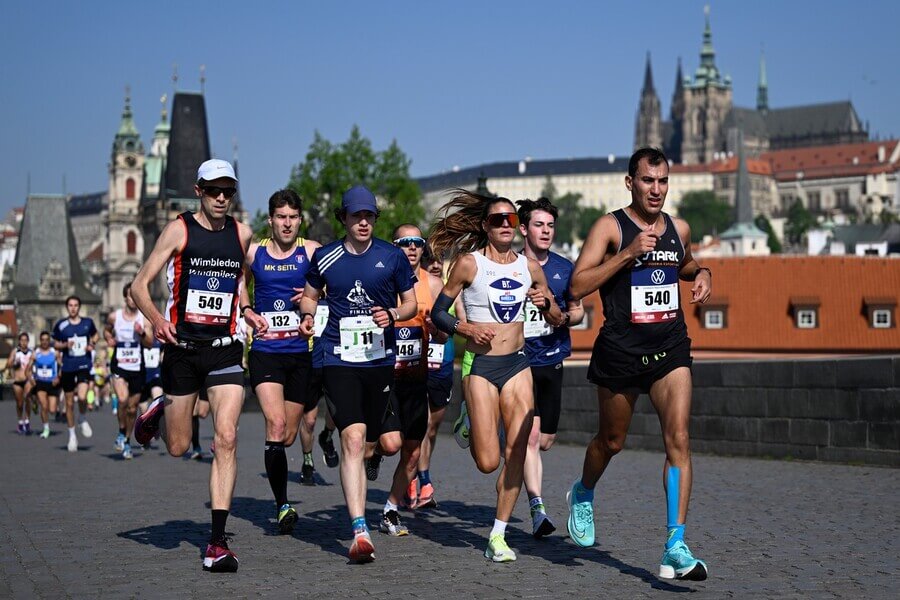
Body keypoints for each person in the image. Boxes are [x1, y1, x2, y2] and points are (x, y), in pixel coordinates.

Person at [567, 147, 712, 581]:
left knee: (679, 440)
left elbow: (684, 263)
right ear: (630, 183)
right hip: (620, 353)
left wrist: (703, 272)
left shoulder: (679, 228)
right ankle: (583, 492)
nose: (656, 189)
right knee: (611, 443)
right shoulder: (610, 227)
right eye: (648, 181)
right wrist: (628, 254)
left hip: (670, 348)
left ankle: (676, 544)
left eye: (663, 181)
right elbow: (577, 284)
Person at [429, 190, 562, 562]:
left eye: (511, 219)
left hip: (518, 364)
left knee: (517, 449)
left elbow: (557, 318)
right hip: (482, 368)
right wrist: (466, 329)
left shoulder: (529, 267)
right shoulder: (469, 264)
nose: (506, 225)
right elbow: (438, 314)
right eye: (497, 220)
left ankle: (498, 535)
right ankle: (470, 418)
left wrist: (546, 304)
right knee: (488, 462)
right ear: (486, 226)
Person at [131, 159, 251, 573]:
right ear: (198, 190)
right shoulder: (179, 229)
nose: (222, 198)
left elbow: (241, 280)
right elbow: (138, 285)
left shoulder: (242, 233)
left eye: (228, 191)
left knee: (228, 436)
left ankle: (217, 542)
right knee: (179, 445)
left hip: (224, 350)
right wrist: (158, 320)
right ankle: (160, 410)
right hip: (182, 348)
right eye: (214, 190)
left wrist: (248, 310)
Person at [298, 185, 417, 562]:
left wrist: (393, 315)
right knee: (353, 439)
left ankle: (363, 506)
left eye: (369, 216)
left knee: (376, 443)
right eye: (356, 216)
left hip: (379, 362)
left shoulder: (392, 257)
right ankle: (359, 529)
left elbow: (410, 302)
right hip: (338, 358)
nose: (363, 222)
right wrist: (305, 316)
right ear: (344, 219)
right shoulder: (327, 257)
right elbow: (310, 295)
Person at [239, 189, 322, 534]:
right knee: (274, 425)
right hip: (266, 351)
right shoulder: (254, 252)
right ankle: (282, 505)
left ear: (299, 220)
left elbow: (337, 285)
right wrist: (247, 310)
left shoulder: (313, 251)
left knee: (287, 436)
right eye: (281, 217)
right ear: (270, 220)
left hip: (300, 353)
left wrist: (311, 299)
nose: (287, 224)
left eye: (292, 217)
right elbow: (237, 283)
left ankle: (280, 467)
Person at [515, 197, 584, 538]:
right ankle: (537, 508)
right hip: (518, 361)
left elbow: (579, 310)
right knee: (528, 439)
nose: (546, 231)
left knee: (545, 440)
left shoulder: (563, 267)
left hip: (552, 357)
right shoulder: (509, 266)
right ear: (523, 229)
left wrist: (564, 316)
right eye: (539, 225)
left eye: (550, 226)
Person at [377, 224, 446, 530]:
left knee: (413, 451)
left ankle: (391, 506)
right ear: (395, 247)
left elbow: (445, 335)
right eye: (406, 243)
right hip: (385, 376)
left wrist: (436, 329)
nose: (413, 248)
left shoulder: (432, 284)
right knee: (391, 444)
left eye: (418, 243)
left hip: (417, 377)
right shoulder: (382, 281)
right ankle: (374, 452)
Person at [410, 252, 456, 509]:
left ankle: (419, 474)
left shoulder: (451, 288)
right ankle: (419, 478)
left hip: (443, 363)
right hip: (414, 365)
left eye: (441, 259)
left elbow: (463, 320)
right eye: (431, 260)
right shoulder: (414, 287)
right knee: (420, 424)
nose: (437, 264)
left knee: (432, 427)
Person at [52, 295, 98, 452]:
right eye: (70, 305)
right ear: (67, 307)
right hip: (68, 367)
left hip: (84, 364)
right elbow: (55, 343)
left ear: (79, 307)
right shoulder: (61, 325)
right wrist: (65, 344)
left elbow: (96, 335)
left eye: (76, 305)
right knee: (69, 403)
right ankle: (72, 435)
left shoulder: (87, 323)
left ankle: (82, 417)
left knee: (83, 396)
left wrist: (91, 344)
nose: (73, 308)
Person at [108, 283, 146, 460]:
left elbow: (150, 342)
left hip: (137, 367)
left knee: (132, 409)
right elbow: (106, 330)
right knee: (122, 399)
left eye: (135, 296)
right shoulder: (114, 317)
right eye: (130, 296)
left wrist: (143, 334)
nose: (133, 299)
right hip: (119, 365)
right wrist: (109, 337)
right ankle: (121, 431)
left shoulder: (143, 318)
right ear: (125, 298)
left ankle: (128, 440)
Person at [28, 332, 60, 439]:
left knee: (52, 410)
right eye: (43, 340)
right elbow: (27, 370)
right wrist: (31, 379)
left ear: (49, 341)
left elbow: (62, 367)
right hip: (40, 382)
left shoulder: (54, 353)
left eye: (47, 339)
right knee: (44, 406)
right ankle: (46, 429)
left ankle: (36, 403)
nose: (45, 342)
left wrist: (58, 378)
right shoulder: (35, 354)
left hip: (52, 383)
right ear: (40, 341)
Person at [7, 333, 34, 435]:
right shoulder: (15, 352)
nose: (24, 342)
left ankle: (27, 421)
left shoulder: (32, 352)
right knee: (19, 403)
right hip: (17, 381)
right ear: (19, 341)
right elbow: (8, 364)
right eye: (22, 340)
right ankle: (20, 421)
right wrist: (14, 363)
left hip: (27, 380)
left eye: (25, 340)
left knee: (27, 399)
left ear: (28, 341)